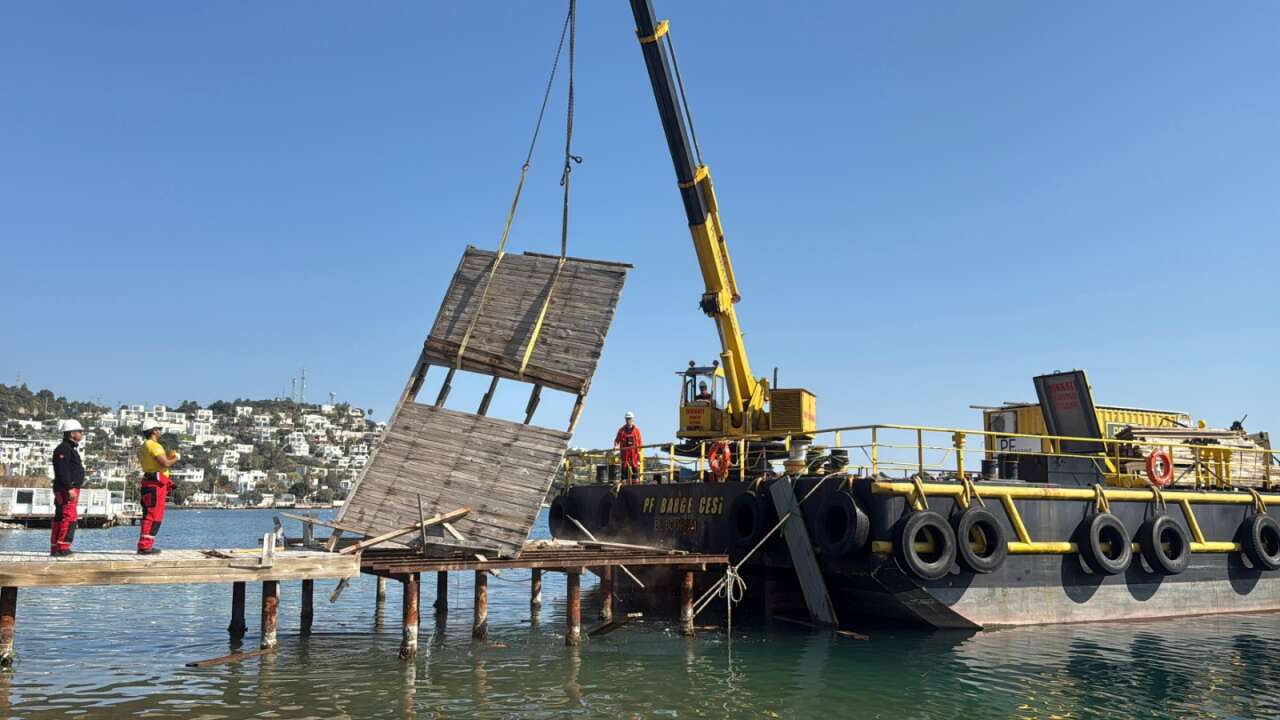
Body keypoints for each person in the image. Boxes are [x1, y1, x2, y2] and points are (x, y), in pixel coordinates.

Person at [137, 419, 179, 555]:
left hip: (149, 483)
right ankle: (145, 546)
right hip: (155, 485)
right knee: (153, 516)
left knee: (148, 515)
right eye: (158, 429)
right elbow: (165, 463)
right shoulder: (154, 446)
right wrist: (176, 457)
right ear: (154, 431)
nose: (160, 432)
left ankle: (144, 544)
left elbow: (155, 463)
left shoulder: (143, 447)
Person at [50, 420, 86, 556]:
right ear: (72, 433)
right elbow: (62, 470)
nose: (82, 434)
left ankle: (56, 547)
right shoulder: (64, 449)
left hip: (65, 487)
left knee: (60, 516)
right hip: (67, 489)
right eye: (80, 431)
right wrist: (69, 488)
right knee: (69, 516)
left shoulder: (68, 449)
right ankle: (63, 547)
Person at [613, 411, 643, 484]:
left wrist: (639, 451)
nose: (628, 420)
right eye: (627, 418)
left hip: (634, 452)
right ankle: (623, 481)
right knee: (624, 465)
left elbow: (640, 441)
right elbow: (617, 440)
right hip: (625, 452)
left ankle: (636, 481)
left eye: (629, 418)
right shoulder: (621, 430)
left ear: (633, 419)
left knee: (634, 465)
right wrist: (616, 447)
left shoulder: (637, 430)